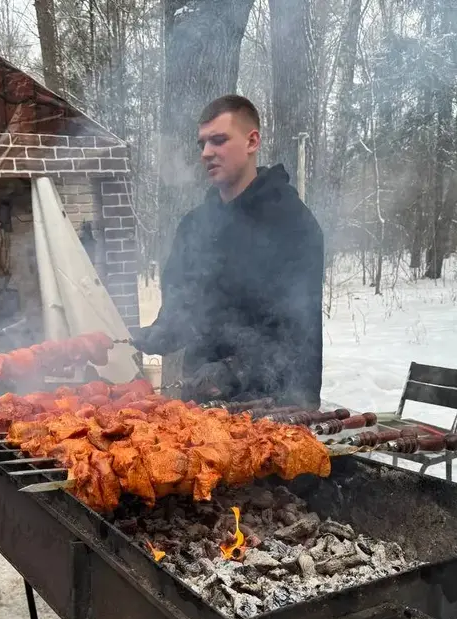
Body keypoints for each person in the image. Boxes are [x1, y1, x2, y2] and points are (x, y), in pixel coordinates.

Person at [130, 95, 325, 408]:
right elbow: (183, 308)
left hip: (276, 408)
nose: (207, 153)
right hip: (201, 405)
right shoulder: (194, 225)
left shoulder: (292, 224)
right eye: (202, 144)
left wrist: (235, 369)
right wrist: (159, 333)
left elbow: (297, 334)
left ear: (252, 141)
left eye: (219, 140)